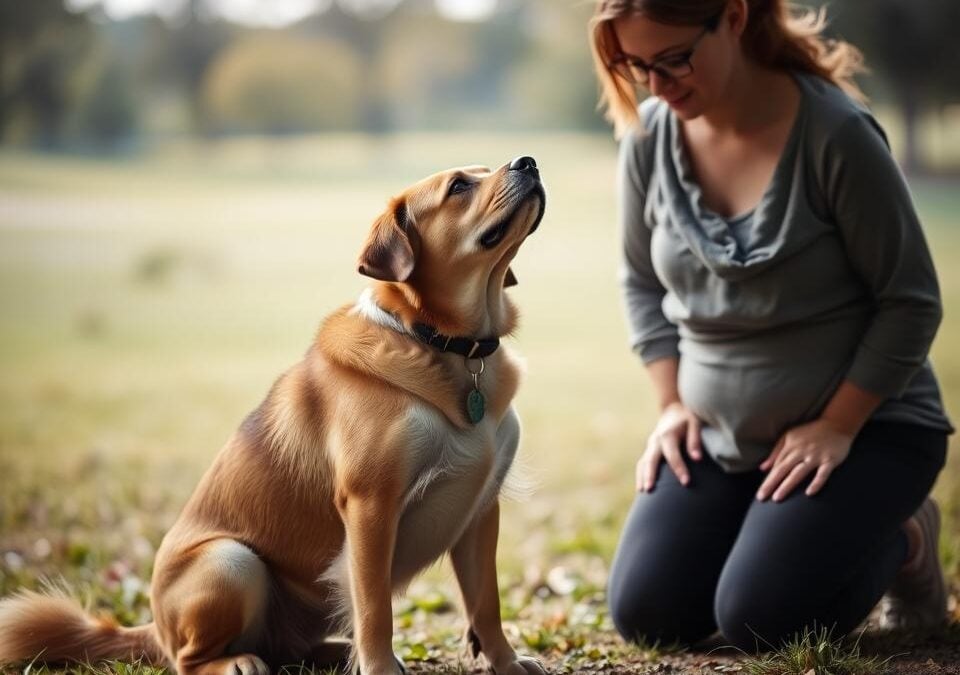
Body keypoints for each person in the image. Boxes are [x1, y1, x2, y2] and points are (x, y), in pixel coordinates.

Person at [588, 0, 955, 652]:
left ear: (732, 17)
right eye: (636, 65)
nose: (657, 85)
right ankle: (773, 528)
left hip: (868, 429)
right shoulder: (648, 136)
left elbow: (912, 300)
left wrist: (837, 424)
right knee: (648, 611)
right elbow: (640, 282)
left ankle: (905, 538)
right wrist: (671, 403)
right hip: (718, 434)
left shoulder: (835, 134)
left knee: (761, 616)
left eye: (673, 59)